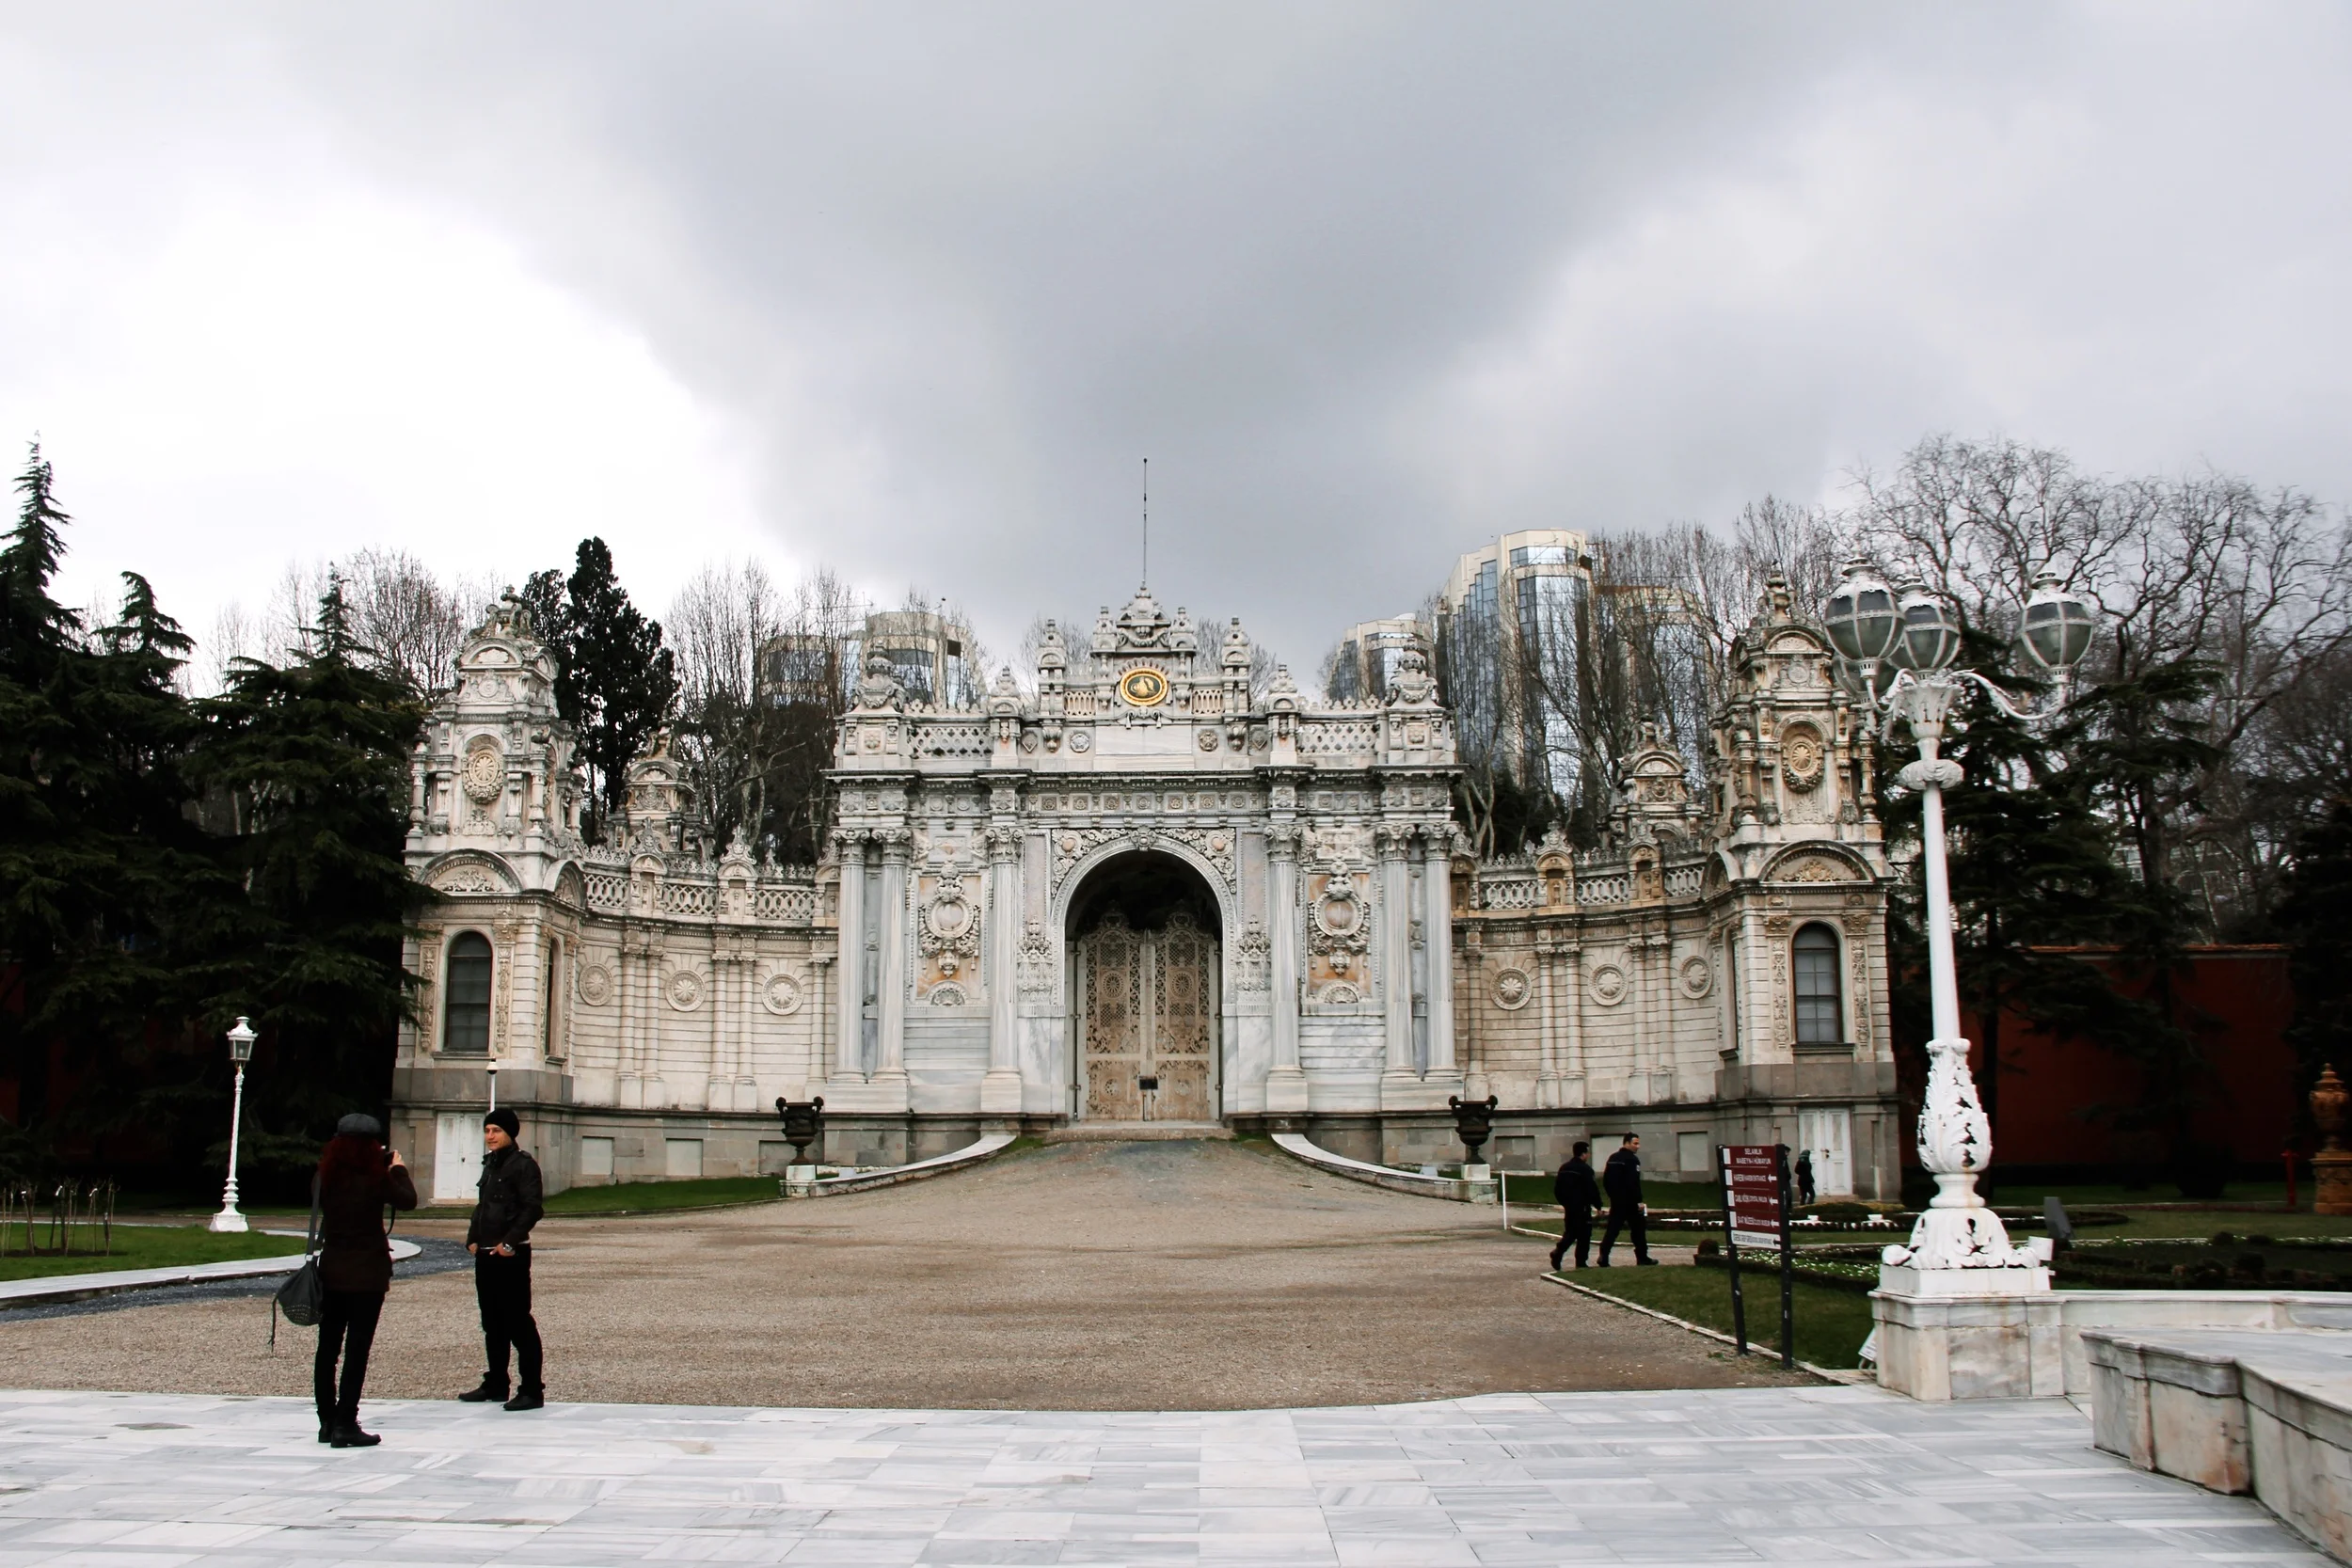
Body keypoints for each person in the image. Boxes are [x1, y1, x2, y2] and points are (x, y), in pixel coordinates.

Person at [314, 1112, 419, 1449]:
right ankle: (347, 1421)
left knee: (327, 1349)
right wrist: (397, 1168)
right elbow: (408, 1200)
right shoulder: (377, 1178)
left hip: (332, 1271)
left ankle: (327, 1421)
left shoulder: (325, 1176)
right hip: (367, 1275)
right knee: (357, 1350)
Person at [459, 1107, 547, 1411]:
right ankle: (496, 1382)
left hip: (511, 1254)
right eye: (487, 1131)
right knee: (492, 1322)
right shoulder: (491, 1165)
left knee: (518, 1322)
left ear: (510, 1133)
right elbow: (482, 1206)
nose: (490, 1136)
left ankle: (532, 1390)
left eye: (495, 1131)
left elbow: (532, 1208)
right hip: (485, 1254)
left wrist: (508, 1242)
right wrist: (472, 1238)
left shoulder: (523, 1165)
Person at [1597, 1132, 1656, 1266]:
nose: (1638, 1146)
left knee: (1612, 1229)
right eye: (1635, 1143)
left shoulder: (1613, 1158)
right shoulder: (1632, 1160)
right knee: (1638, 1230)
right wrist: (1639, 1201)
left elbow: (1606, 1180)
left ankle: (1603, 1255)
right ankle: (1642, 1257)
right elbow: (1633, 1183)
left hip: (1617, 1201)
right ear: (1627, 1143)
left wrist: (1612, 1196)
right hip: (1630, 1202)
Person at [1549, 1142, 1601, 1272]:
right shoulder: (1585, 1170)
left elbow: (1558, 1189)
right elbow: (1592, 1189)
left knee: (1570, 1232)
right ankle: (1580, 1262)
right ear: (1583, 1154)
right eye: (1588, 1152)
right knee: (1584, 1235)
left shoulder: (1564, 1168)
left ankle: (1559, 1251)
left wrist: (1565, 1203)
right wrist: (1598, 1205)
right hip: (1582, 1207)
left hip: (1570, 1207)